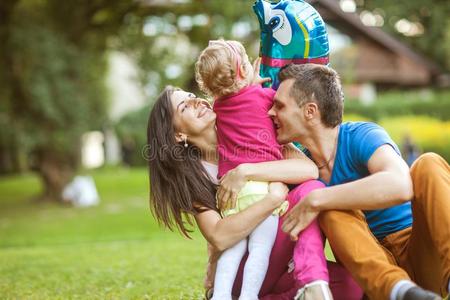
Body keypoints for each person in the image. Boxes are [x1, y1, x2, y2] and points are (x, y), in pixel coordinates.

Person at [146, 86, 363, 299]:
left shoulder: (247, 128)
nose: (197, 102)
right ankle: (309, 282)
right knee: (311, 191)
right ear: (178, 135)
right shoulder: (194, 176)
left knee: (351, 286)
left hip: (281, 256)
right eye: (185, 107)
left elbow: (308, 169)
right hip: (242, 266)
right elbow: (220, 236)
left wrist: (246, 171)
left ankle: (309, 284)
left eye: (193, 96)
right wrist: (273, 199)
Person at [265, 63, 449, 300]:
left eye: (279, 106)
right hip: (373, 274)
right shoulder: (300, 171)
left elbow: (400, 185)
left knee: (429, 164)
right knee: (331, 210)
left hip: (420, 251)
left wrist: (318, 198)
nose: (271, 113)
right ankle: (401, 292)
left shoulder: (360, 136)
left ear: (310, 111)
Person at [194, 39, 332, 300]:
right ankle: (249, 296)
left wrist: (242, 83)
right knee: (260, 250)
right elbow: (269, 105)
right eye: (246, 63)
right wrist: (256, 87)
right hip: (263, 191)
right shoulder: (266, 99)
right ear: (243, 72)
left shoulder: (218, 108)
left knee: (233, 253)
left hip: (235, 197)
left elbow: (232, 99)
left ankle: (220, 295)